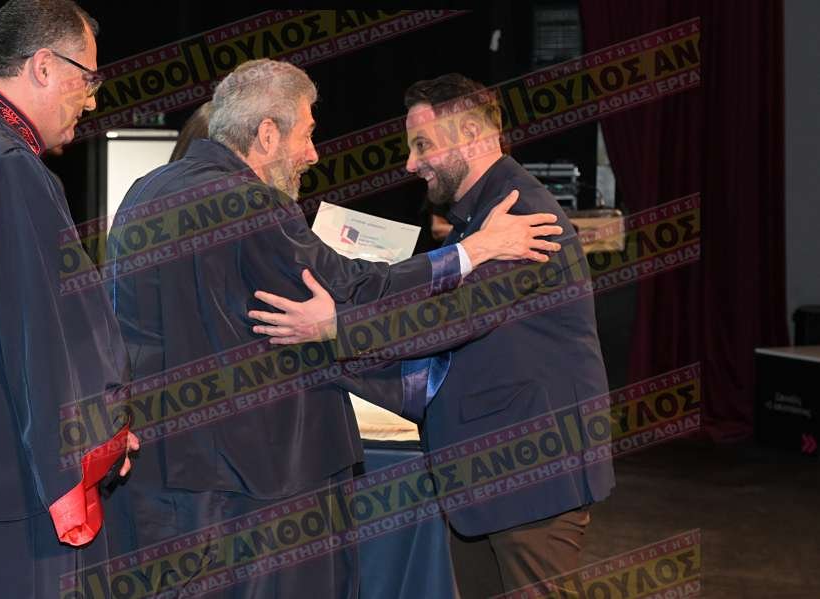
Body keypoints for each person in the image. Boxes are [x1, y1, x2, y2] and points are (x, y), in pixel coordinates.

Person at [103, 59, 563, 598]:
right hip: (256, 487)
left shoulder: (144, 192)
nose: (313, 154)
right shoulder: (251, 201)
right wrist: (469, 252)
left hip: (156, 475)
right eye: (307, 133)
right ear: (268, 134)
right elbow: (352, 287)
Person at [252, 73, 615, 598]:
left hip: (531, 476)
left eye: (422, 145)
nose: (410, 163)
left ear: (469, 135)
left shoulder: (523, 218)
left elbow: (448, 319)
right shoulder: (481, 219)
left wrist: (334, 327)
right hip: (491, 480)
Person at [0, 1, 137, 597]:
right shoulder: (11, 167)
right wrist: (105, 434)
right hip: (7, 495)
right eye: (87, 78)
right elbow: (53, 339)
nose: (90, 101)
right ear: (43, 66)